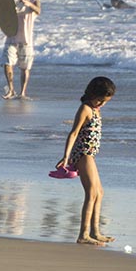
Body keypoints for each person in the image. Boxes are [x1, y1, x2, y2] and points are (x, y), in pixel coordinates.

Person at [55, 77, 117, 246]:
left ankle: (95, 232)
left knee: (99, 193)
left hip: (90, 154)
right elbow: (74, 133)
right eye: (100, 100)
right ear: (92, 94)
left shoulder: (96, 109)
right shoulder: (85, 109)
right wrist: (66, 157)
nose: (102, 104)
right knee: (91, 193)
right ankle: (83, 234)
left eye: (105, 101)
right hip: (83, 154)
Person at [0, 0, 41, 99]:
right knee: (7, 63)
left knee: (25, 68)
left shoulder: (34, 0)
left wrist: (29, 4)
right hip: (11, 37)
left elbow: (38, 10)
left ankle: (22, 92)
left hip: (26, 40)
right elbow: (1, 11)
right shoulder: (11, 0)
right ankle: (11, 90)